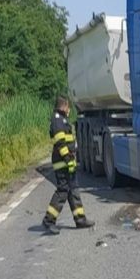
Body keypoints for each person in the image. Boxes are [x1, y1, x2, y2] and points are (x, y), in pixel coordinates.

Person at [41, 95, 94, 234]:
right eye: (68, 107)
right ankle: (48, 220)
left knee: (73, 190)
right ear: (64, 106)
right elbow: (60, 143)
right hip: (62, 163)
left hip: (67, 161)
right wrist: (68, 158)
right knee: (63, 191)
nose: (69, 110)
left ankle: (80, 219)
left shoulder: (62, 120)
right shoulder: (57, 121)